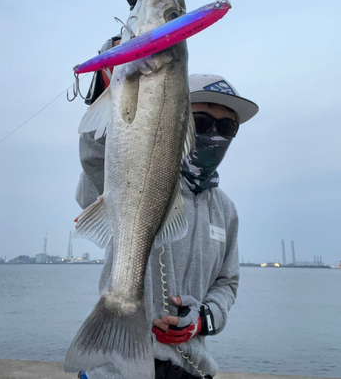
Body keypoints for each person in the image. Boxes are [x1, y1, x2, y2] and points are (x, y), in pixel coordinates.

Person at [75, 65, 259, 379]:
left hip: (191, 368)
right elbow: (96, 155)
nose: (215, 134)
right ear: (177, 119)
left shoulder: (226, 211)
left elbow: (227, 283)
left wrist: (203, 319)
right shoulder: (135, 175)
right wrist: (111, 81)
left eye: (228, 127)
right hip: (115, 369)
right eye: (201, 122)